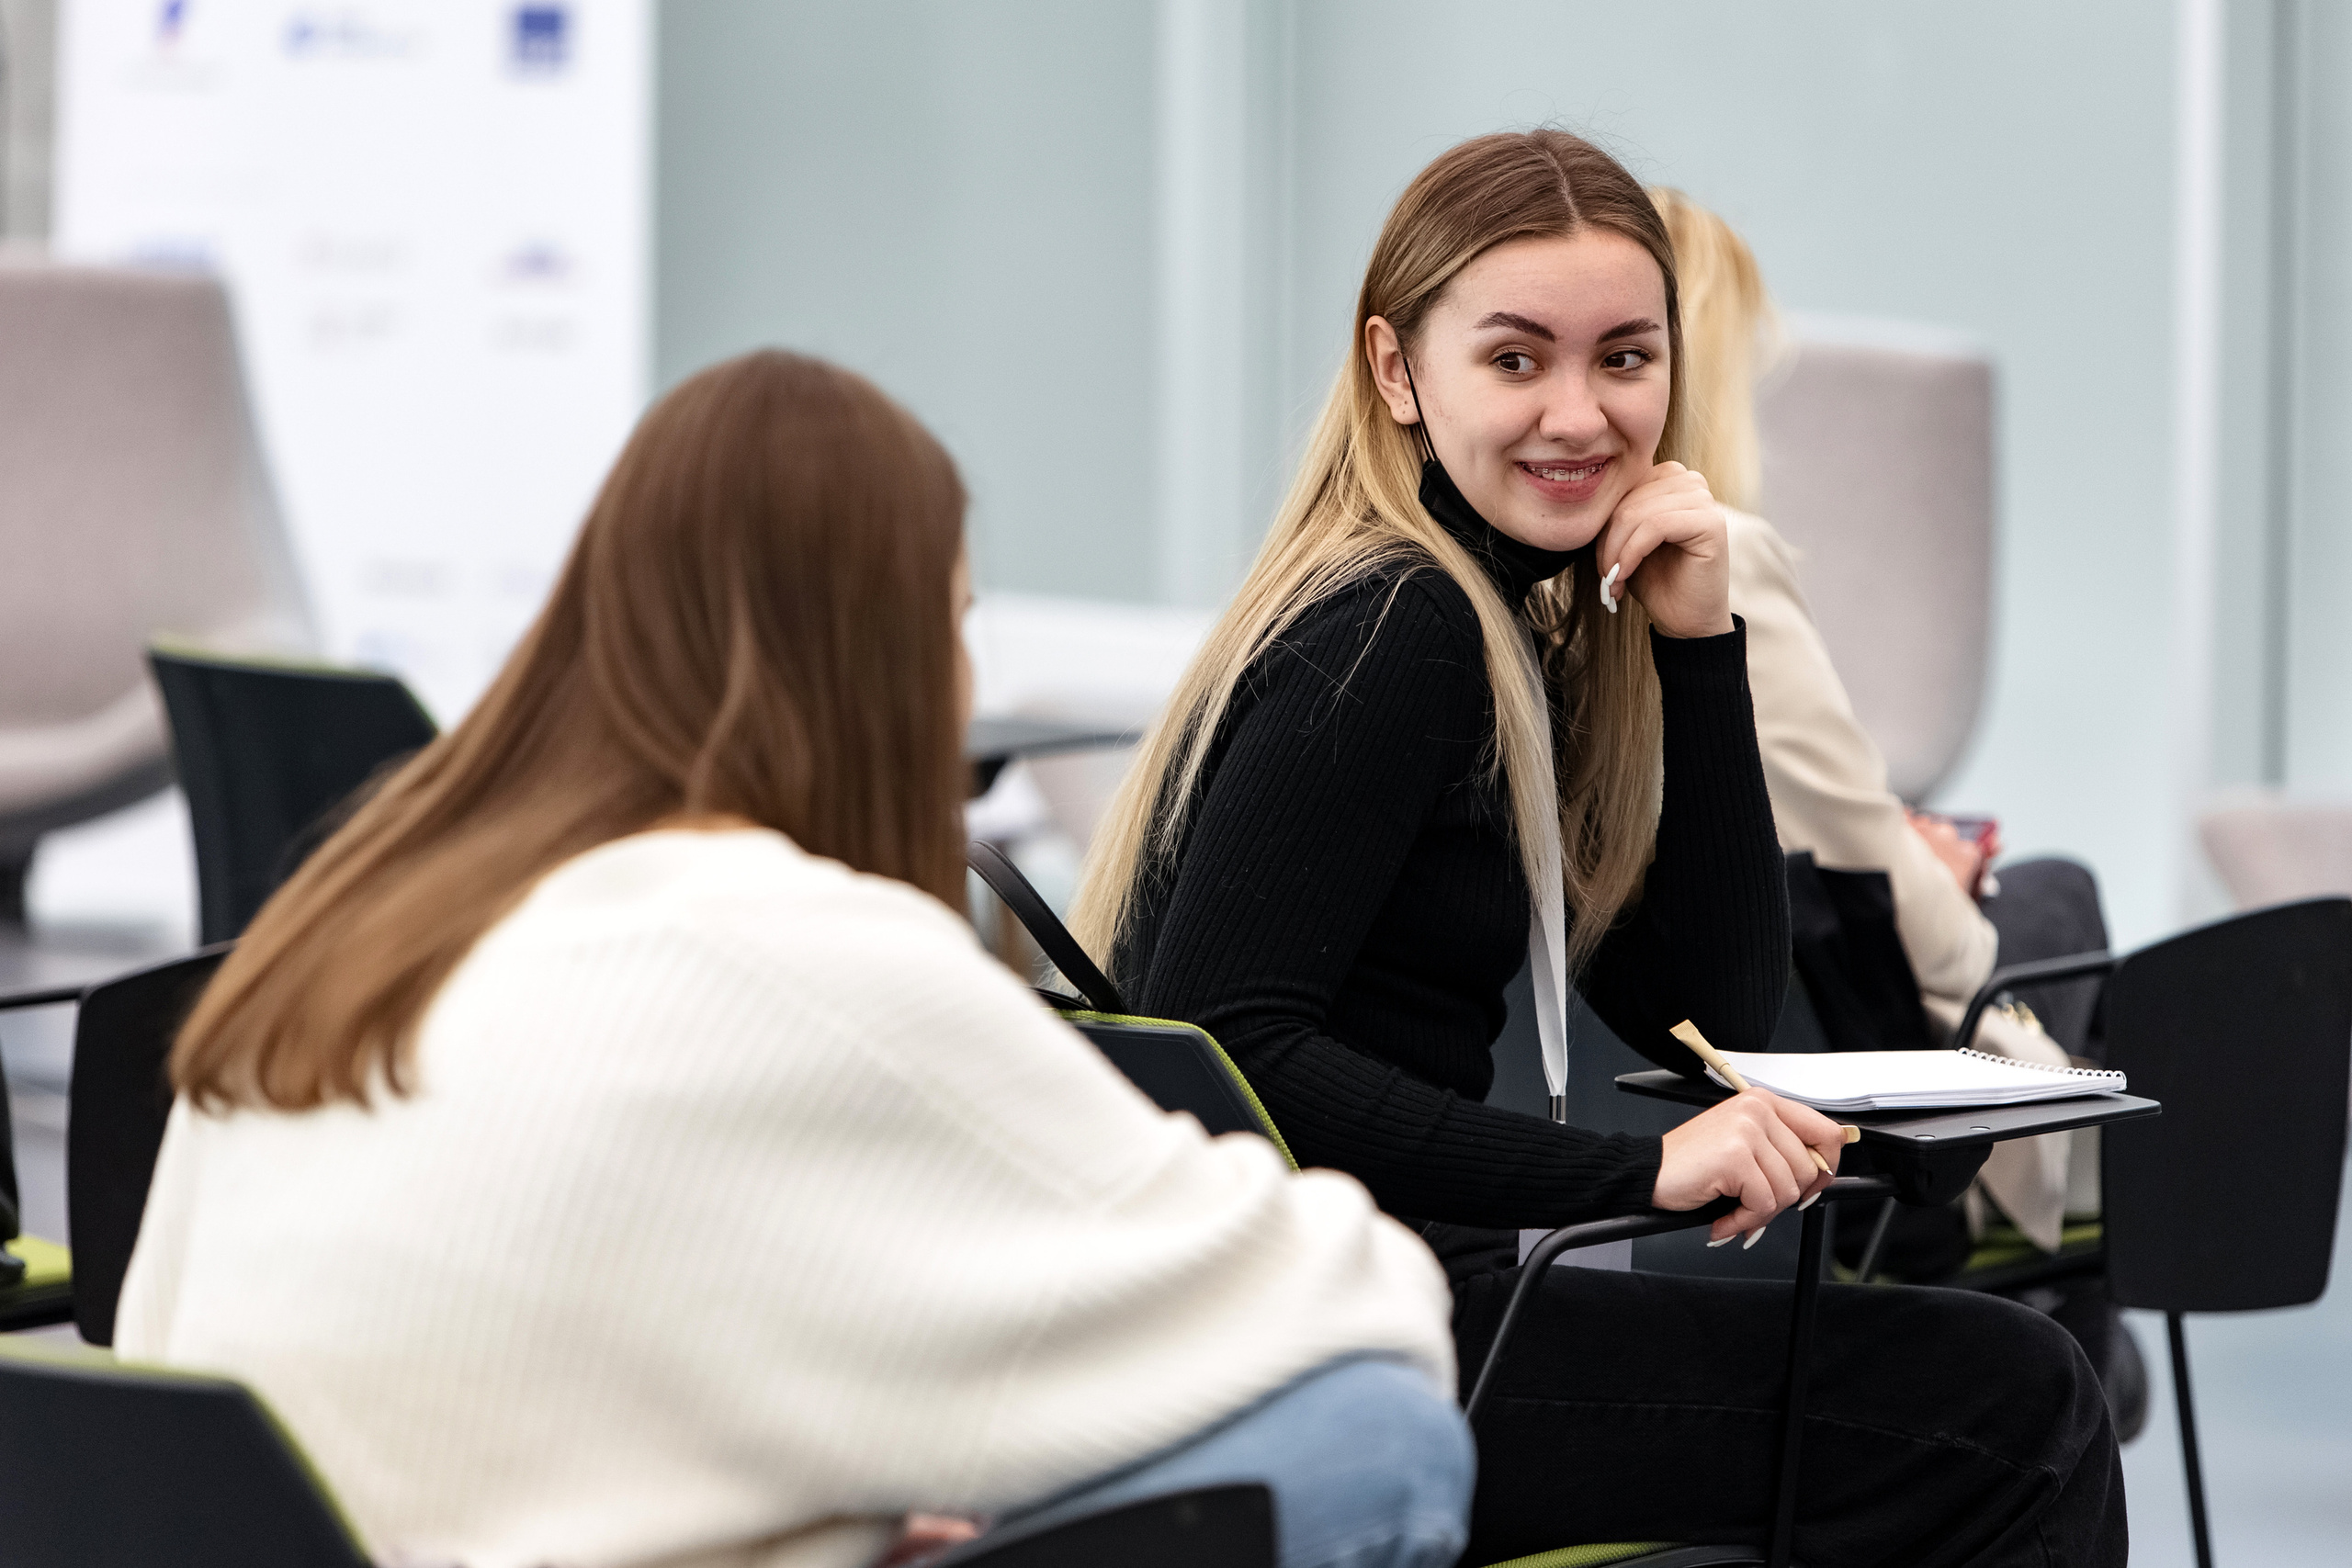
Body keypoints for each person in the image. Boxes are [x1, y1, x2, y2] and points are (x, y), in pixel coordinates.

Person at [114, 351, 1473, 1568]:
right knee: (1375, 1436)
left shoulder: (352, 921)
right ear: (874, 662)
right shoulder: (796, 949)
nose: (958, 673)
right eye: (953, 618)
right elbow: (1344, 1295)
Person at [1072, 130, 2122, 1565]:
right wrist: (1633, 1180)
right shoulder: (1403, 632)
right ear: (1398, 372)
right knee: (2020, 1402)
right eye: (1516, 361)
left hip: (1386, 1323)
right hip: (1365, 1351)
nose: (1579, 414)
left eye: (1625, 359)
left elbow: (1717, 1013)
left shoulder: (1513, 622)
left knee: (1986, 1389)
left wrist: (1697, 646)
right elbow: (1229, 1040)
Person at [1657, 186, 2143, 1433]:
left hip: (1692, 1020)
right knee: (2051, 895)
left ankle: (2079, 1321)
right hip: (1810, 1054)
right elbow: (1857, 840)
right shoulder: (1716, 558)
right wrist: (1948, 897)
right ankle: (2084, 1326)